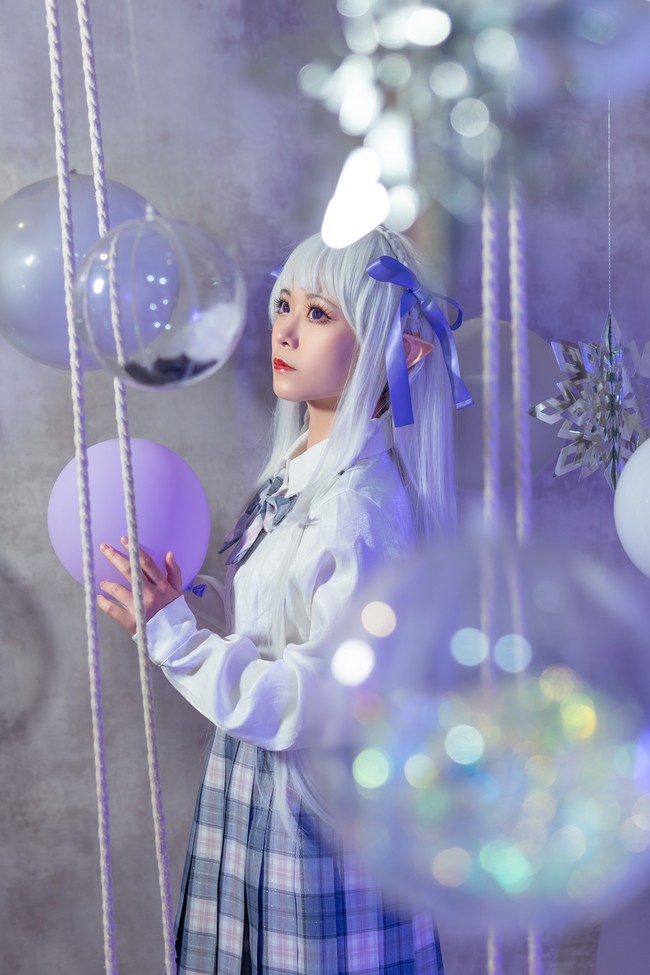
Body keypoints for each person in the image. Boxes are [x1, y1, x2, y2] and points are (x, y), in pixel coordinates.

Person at [97, 225, 468, 975]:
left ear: (400, 350)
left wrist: (176, 638)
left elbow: (314, 703)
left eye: (320, 314)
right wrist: (187, 606)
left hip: (310, 814)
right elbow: (281, 633)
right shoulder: (303, 473)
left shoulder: (358, 508)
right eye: (285, 304)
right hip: (256, 790)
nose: (286, 331)